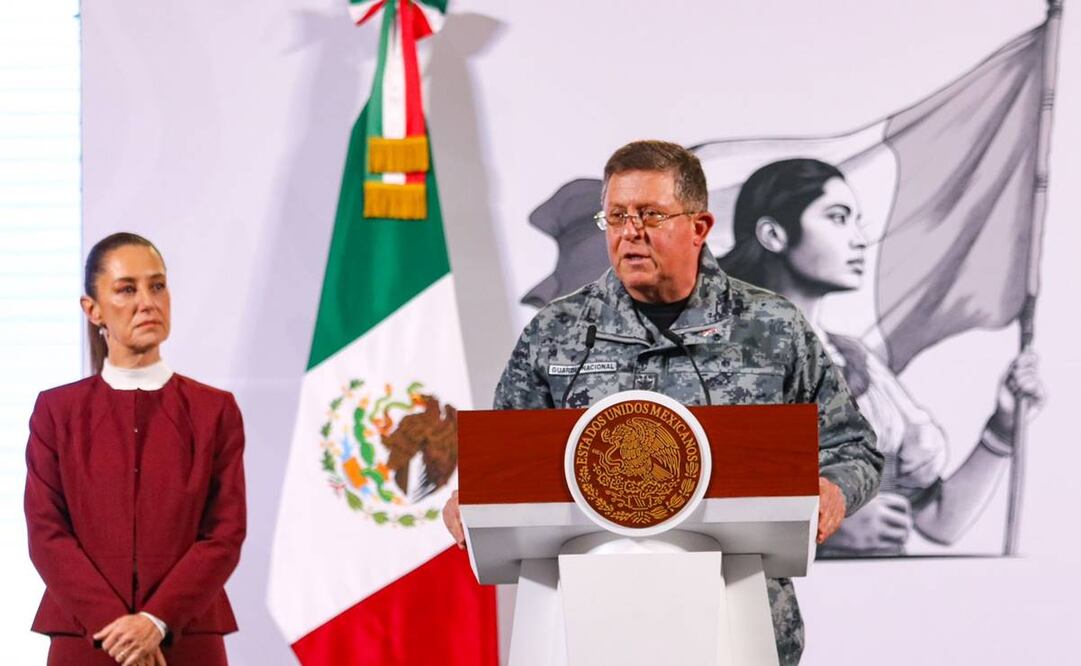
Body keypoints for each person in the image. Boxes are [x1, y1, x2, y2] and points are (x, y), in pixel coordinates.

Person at [444, 141, 882, 665]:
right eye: (616, 216)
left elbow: (853, 446)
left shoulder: (772, 327)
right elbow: (506, 466)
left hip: (736, 626)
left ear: (699, 226)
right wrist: (472, 501)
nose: (630, 231)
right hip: (588, 631)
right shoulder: (555, 333)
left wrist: (834, 490)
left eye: (651, 215)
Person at [719, 158, 1044, 555]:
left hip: (881, 600)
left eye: (857, 221)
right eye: (837, 218)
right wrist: (821, 529)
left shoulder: (858, 360)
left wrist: (1003, 427)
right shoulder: (723, 356)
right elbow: (692, 509)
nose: (858, 239)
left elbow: (940, 522)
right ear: (773, 234)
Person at [24, 233, 247, 666]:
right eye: (127, 289)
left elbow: (224, 534)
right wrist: (118, 628)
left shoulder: (214, 411)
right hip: (85, 638)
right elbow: (47, 534)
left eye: (157, 286)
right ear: (93, 309)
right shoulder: (56, 411)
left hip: (187, 638)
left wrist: (156, 621)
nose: (147, 301)